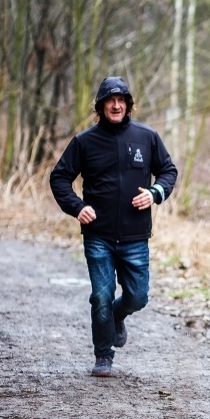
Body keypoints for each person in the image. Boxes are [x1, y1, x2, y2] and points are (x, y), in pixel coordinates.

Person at [50, 76, 177, 378]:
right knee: (101, 296)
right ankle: (103, 354)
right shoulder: (85, 141)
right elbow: (59, 177)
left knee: (138, 297)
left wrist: (155, 192)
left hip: (135, 236)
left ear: (129, 105)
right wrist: (77, 207)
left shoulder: (147, 137)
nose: (116, 105)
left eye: (122, 100)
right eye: (110, 100)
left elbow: (168, 170)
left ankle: (117, 318)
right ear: (101, 106)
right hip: (99, 236)